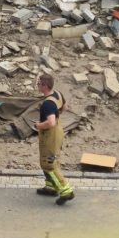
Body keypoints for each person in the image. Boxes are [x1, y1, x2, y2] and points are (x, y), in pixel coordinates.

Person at [35, 74, 74, 204]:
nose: (37, 86)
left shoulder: (47, 104)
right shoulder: (57, 94)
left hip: (50, 134)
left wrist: (38, 125)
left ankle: (66, 191)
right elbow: (65, 107)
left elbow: (50, 123)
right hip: (58, 131)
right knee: (54, 159)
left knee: (48, 164)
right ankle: (50, 187)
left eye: (39, 84)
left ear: (45, 86)